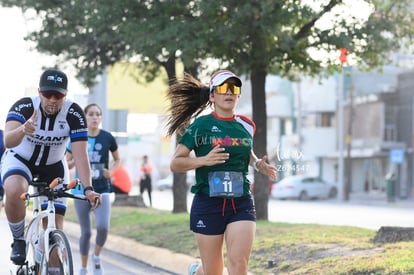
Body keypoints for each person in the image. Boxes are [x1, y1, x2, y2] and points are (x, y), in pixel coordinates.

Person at [166, 70, 277, 275]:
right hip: (208, 203)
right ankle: (197, 270)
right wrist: (203, 160)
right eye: (223, 88)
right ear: (212, 95)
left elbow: (247, 153)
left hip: (241, 201)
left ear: (238, 95)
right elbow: (175, 163)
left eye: (234, 88)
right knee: (213, 272)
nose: (229, 92)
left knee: (239, 265)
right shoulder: (201, 125)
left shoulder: (246, 125)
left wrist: (258, 164)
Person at [1, 68, 101, 271]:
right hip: (20, 160)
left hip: (54, 166)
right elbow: (8, 141)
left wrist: (89, 188)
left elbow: (81, 156)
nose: (52, 100)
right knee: (13, 189)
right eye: (47, 94)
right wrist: (22, 129)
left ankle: (53, 268)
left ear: (65, 95)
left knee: (54, 228)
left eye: (58, 95)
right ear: (39, 92)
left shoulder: (74, 114)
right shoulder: (24, 106)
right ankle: (19, 239)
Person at [66, 103, 120, 275]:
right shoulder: (76, 137)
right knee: (86, 232)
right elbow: (66, 162)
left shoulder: (107, 137)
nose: (95, 117)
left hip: (102, 188)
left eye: (98, 114)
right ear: (85, 117)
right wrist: (75, 160)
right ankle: (82, 267)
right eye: (91, 114)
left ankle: (96, 256)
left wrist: (110, 171)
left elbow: (117, 159)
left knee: (103, 227)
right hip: (81, 190)